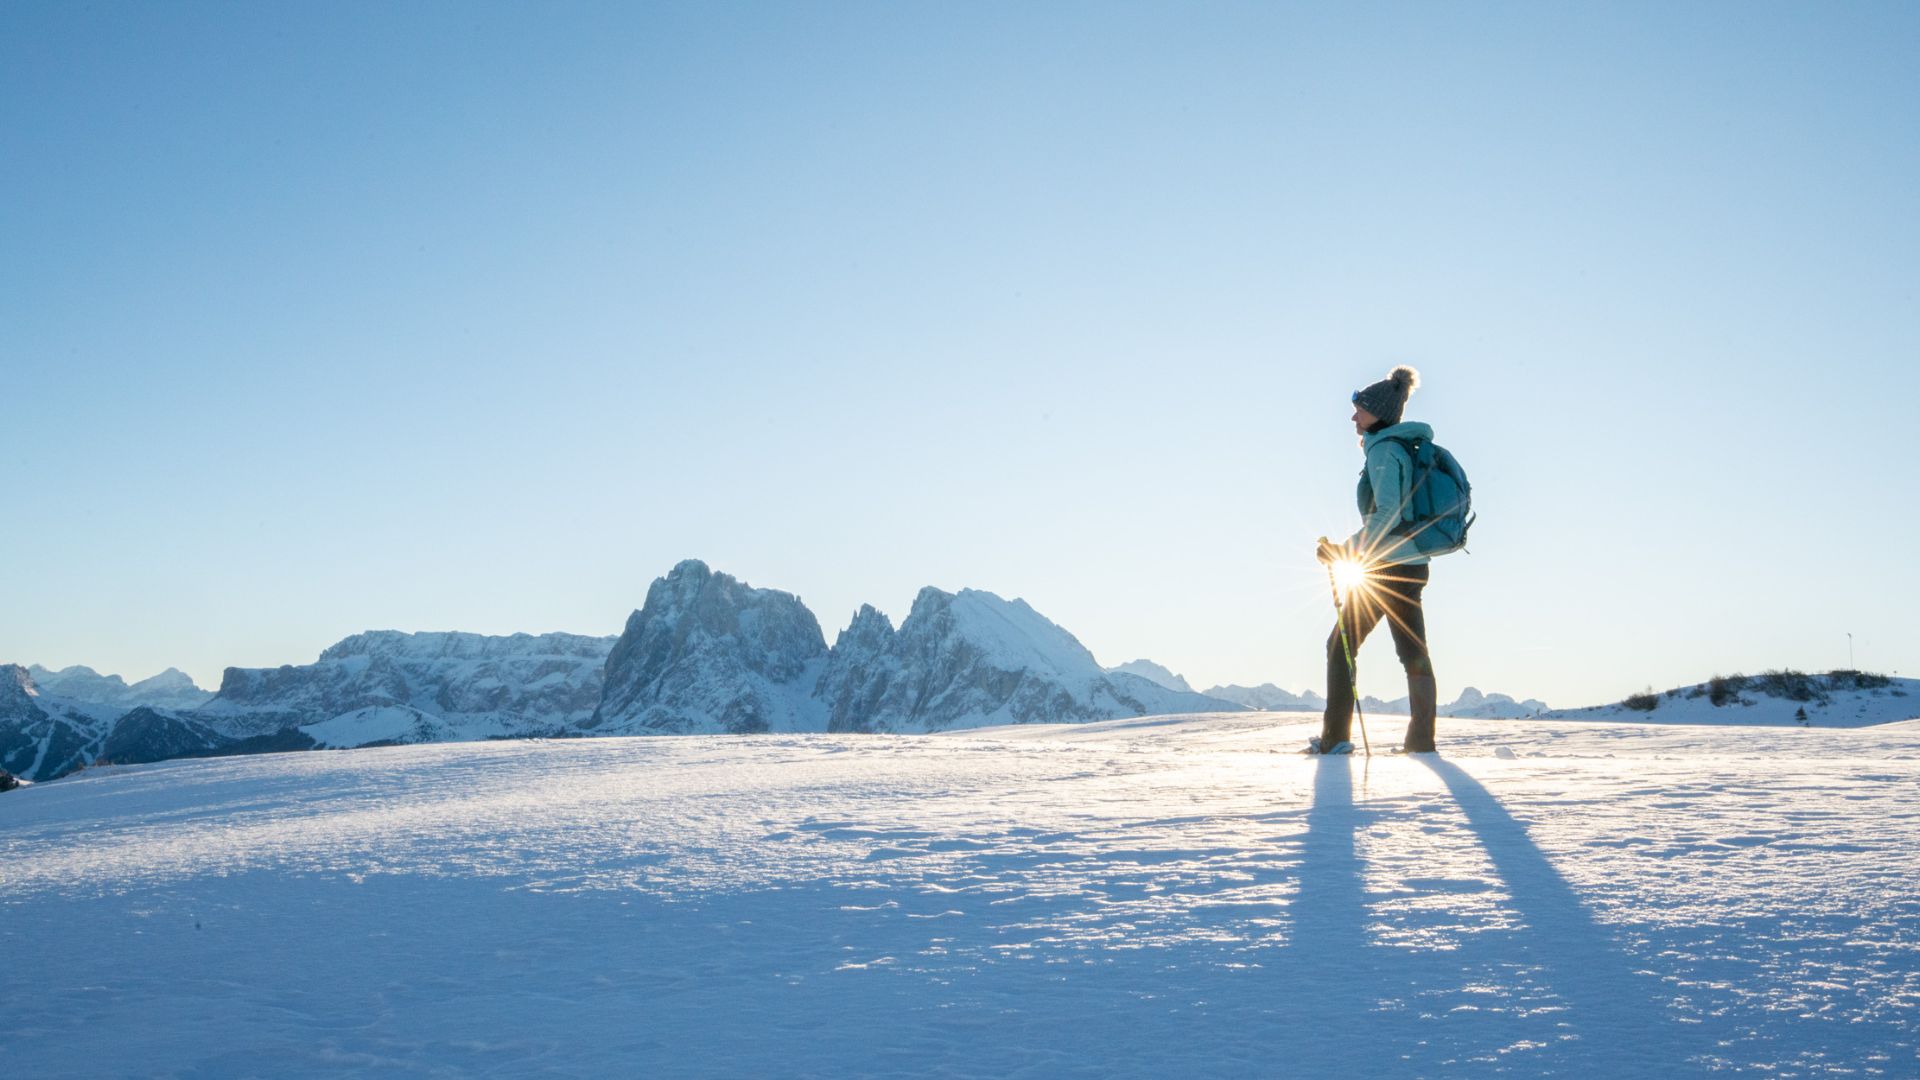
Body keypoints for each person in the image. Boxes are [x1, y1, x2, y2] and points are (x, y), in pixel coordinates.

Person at [1311, 365, 1438, 754]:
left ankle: (1336, 739)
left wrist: (1343, 551)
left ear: (1378, 413)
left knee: (1340, 644)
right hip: (1411, 564)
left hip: (1386, 566)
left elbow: (1386, 515)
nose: (1353, 416)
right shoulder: (1399, 446)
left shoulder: (1384, 449)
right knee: (1413, 654)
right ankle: (1421, 742)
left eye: (1360, 408)